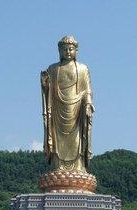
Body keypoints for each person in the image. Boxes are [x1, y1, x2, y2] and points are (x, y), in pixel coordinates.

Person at [41, 35, 95, 173]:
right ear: (59, 51)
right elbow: (48, 91)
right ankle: (57, 166)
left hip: (77, 111)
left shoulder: (83, 69)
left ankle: (78, 167)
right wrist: (45, 85)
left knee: (78, 138)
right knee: (57, 139)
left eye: (71, 49)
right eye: (64, 49)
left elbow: (87, 90)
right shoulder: (53, 69)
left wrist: (88, 104)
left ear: (76, 50)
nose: (68, 52)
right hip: (58, 110)